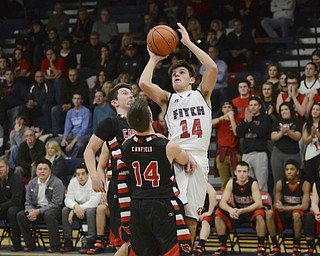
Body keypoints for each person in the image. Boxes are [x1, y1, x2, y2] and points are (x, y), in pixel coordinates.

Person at [139, 22, 217, 244]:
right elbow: (144, 84)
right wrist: (154, 59)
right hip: (173, 156)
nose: (176, 75)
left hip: (198, 158)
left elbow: (211, 69)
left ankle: (186, 251)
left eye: (181, 72)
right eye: (173, 73)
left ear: (192, 79)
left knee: (191, 217)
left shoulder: (203, 94)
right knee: (168, 215)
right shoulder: (167, 99)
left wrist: (189, 43)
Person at [121, 99, 194, 256]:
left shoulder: (126, 146)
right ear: (150, 119)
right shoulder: (167, 145)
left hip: (138, 204)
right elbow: (185, 160)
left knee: (142, 251)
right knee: (171, 250)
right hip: (162, 203)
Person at [84, 83, 135, 251]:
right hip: (120, 183)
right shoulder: (111, 122)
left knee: (141, 233)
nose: (131, 96)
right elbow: (89, 150)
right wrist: (94, 176)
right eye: (125, 93)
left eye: (131, 93)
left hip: (140, 183)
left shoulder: (141, 123)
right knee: (122, 234)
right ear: (114, 102)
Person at [213, 161, 267, 256]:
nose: (242, 174)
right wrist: (231, 210)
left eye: (244, 171)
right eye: (240, 171)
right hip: (236, 212)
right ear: (235, 172)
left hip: (250, 212)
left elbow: (259, 203)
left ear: (248, 172)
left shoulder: (253, 183)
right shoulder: (231, 182)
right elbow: (222, 203)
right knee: (218, 214)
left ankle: (261, 246)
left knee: (260, 214)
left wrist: (242, 210)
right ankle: (222, 246)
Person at [16, 158, 65, 253]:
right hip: (36, 210)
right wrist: (30, 211)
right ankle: (30, 244)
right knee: (21, 215)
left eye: (45, 169)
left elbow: (56, 203)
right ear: (36, 170)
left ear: (50, 170)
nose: (42, 171)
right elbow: (28, 202)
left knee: (49, 214)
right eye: (40, 169)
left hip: (53, 210)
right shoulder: (32, 183)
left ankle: (55, 245)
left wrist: (39, 211)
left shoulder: (57, 183)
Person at [265, 159, 310, 256]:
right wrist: (278, 205)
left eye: (292, 169)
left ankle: (296, 245)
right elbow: (277, 203)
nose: (289, 171)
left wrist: (285, 208)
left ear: (297, 172)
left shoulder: (305, 184)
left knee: (296, 214)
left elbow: (305, 206)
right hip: (284, 214)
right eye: (287, 169)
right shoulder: (280, 183)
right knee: (269, 213)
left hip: (300, 215)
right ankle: (275, 245)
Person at [61, 164, 101, 253]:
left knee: (91, 210)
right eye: (78, 174)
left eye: (83, 174)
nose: (80, 177)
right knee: (65, 210)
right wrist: (75, 206)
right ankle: (68, 241)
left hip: (90, 209)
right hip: (77, 208)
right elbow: (68, 199)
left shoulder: (93, 181)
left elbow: (95, 201)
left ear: (88, 174)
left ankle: (91, 241)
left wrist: (77, 209)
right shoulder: (73, 182)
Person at [236, 96, 271, 192]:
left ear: (260, 106)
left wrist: (251, 122)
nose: (253, 107)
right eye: (251, 105)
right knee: (247, 182)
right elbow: (239, 133)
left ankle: (264, 204)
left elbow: (261, 132)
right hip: (246, 153)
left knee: (261, 182)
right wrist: (245, 121)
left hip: (259, 153)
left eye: (255, 105)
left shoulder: (265, 118)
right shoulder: (246, 118)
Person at [270, 102, 302, 183]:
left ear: (290, 110)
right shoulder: (277, 121)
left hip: (293, 153)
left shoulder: (297, 121)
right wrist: (282, 132)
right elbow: (273, 137)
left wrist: (288, 131)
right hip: (278, 152)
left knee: (293, 179)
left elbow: (298, 137)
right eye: (281, 110)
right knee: (278, 181)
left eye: (286, 109)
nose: (283, 112)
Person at [212, 101, 240, 190]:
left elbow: (236, 133)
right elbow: (209, 124)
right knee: (224, 183)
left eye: (229, 107)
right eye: (225, 107)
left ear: (233, 109)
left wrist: (231, 119)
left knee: (237, 181)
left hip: (234, 153)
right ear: (222, 110)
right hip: (222, 154)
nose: (227, 109)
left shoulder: (238, 120)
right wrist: (221, 118)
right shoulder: (219, 121)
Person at [0, 157, 25, 252]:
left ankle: (16, 243)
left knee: (12, 211)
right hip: (3, 207)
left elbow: (16, 200)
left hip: (18, 206)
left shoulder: (16, 178)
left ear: (7, 167)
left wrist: (1, 207)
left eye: (1, 167)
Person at [57, 93, 92, 159]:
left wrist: (72, 143)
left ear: (82, 100)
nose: (76, 101)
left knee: (79, 145)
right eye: (75, 98)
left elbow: (84, 130)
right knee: (54, 142)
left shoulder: (86, 111)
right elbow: (67, 127)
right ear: (72, 100)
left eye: (78, 99)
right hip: (72, 134)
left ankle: (72, 160)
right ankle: (65, 157)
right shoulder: (70, 112)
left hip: (84, 135)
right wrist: (64, 139)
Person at [192, 182, 216, 256]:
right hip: (192, 211)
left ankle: (200, 245)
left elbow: (213, 192)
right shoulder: (184, 181)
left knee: (205, 222)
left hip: (204, 211)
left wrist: (209, 212)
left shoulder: (202, 181)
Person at [302, 103, 320, 185]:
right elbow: (305, 140)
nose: (315, 111)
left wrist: (317, 133)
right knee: (310, 179)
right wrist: (312, 135)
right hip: (310, 154)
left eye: (317, 110)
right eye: (313, 109)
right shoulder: (306, 125)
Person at [304, 179, 320, 255]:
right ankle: (310, 247)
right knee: (309, 217)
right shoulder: (316, 184)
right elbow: (314, 203)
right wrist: (317, 213)